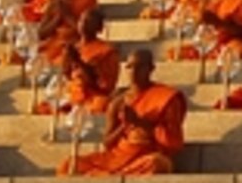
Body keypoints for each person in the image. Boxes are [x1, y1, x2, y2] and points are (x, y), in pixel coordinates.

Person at [62, 48, 187, 176]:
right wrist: (124, 126)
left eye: (139, 67)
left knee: (156, 163)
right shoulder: (118, 102)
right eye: (130, 67)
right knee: (69, 164)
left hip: (147, 155)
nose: (134, 72)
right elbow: (107, 143)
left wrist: (139, 122)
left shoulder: (166, 98)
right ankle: (114, 175)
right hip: (118, 156)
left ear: (151, 69)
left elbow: (173, 143)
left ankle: (110, 176)